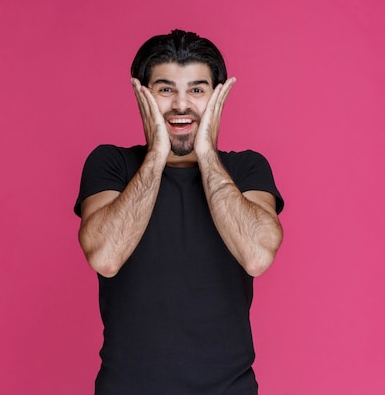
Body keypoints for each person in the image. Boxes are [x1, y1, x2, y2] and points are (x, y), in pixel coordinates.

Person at [74, 29, 284, 394]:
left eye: (197, 90)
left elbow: (256, 257)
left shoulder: (248, 169)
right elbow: (105, 257)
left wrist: (206, 154)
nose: (181, 105)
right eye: (166, 90)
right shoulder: (111, 165)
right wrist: (157, 154)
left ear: (217, 97)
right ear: (143, 95)